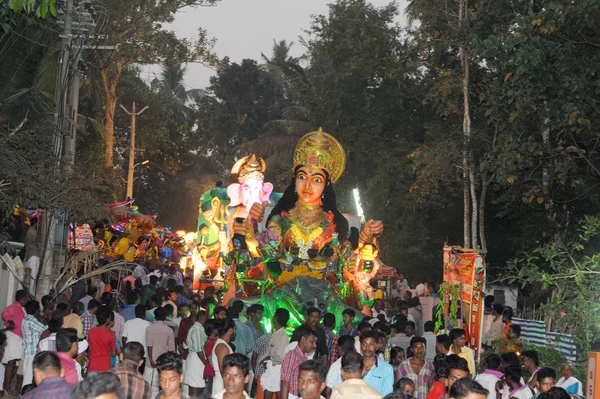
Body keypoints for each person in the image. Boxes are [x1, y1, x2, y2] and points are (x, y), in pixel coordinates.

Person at [144, 307, 176, 396]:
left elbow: (149, 345)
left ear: (155, 316)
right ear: (165, 317)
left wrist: (151, 360)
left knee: (148, 385)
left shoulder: (149, 328)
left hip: (151, 361)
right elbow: (171, 349)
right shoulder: (169, 330)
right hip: (164, 361)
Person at [261, 308, 291, 399]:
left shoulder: (283, 336)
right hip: (272, 368)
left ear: (276, 318)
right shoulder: (276, 333)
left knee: (271, 394)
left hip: (276, 368)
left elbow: (280, 357)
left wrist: (268, 359)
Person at [281, 326, 317, 399]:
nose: (314, 345)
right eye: (312, 341)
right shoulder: (292, 356)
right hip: (291, 396)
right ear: (303, 339)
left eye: (315, 342)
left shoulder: (303, 357)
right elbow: (285, 381)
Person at [360, 331, 394, 396]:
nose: (367, 348)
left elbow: (387, 394)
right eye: (364, 344)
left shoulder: (386, 368)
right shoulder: (355, 366)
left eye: (371, 344)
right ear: (360, 346)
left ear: (377, 346)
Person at [22, 300, 46, 388]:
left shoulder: (26, 319)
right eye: (39, 309)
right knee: (28, 378)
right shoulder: (31, 321)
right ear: (36, 310)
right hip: (31, 351)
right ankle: (25, 395)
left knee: (28, 376)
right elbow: (44, 329)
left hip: (28, 350)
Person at [184, 308, 208, 396]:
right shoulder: (197, 328)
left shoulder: (196, 327)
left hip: (195, 357)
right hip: (197, 358)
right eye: (206, 318)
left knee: (194, 384)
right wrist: (205, 362)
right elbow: (198, 348)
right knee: (196, 384)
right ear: (202, 318)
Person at [88, 305, 118, 373]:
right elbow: (113, 353)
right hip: (105, 367)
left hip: (92, 366)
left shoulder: (91, 331)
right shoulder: (111, 334)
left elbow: (90, 349)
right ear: (107, 320)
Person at [212, 318, 236, 396]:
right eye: (235, 329)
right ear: (230, 330)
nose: (236, 332)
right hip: (222, 384)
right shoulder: (222, 346)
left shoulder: (223, 344)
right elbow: (223, 369)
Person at [3, 326, 24, 395]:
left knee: (18, 363)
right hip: (14, 336)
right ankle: (7, 388)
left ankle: (15, 388)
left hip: (18, 336)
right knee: (11, 362)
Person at [24, 217, 41, 292]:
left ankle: (31, 291)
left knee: (33, 275)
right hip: (33, 255)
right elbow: (36, 243)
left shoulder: (31, 231)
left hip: (33, 255)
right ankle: (31, 292)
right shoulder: (32, 232)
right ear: (36, 223)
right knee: (33, 275)